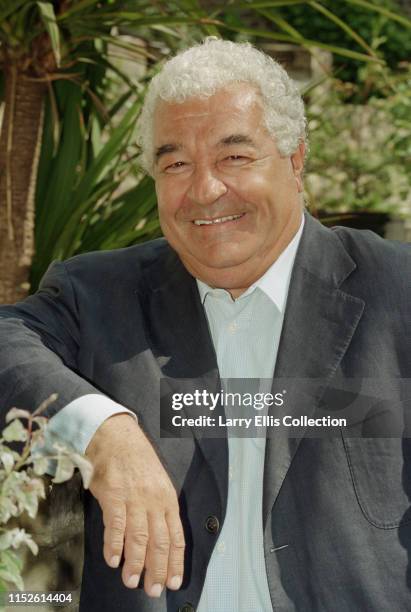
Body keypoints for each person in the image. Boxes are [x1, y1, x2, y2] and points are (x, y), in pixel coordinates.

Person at [0, 38, 410, 612]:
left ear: (295, 160)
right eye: (176, 164)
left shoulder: (397, 293)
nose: (205, 189)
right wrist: (102, 433)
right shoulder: (96, 297)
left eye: (234, 157)